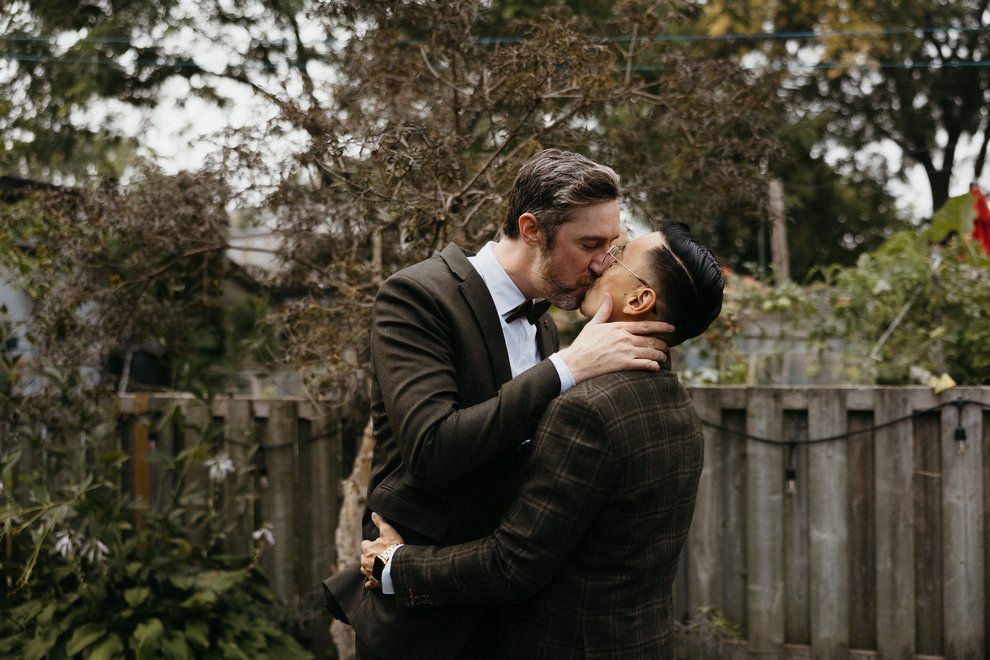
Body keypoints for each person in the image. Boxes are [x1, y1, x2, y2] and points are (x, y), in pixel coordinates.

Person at [323, 149, 674, 659]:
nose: (602, 262)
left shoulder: (548, 324)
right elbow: (432, 448)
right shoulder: (418, 296)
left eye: (611, 246)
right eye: (590, 244)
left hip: (509, 612)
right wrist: (565, 369)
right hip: (423, 623)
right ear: (532, 230)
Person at [361, 222, 724, 660]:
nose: (602, 261)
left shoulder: (588, 409)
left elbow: (513, 563)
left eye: (619, 254)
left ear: (639, 299)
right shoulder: (676, 404)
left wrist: (396, 566)